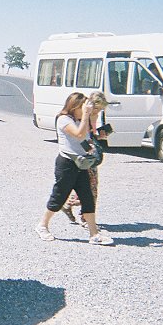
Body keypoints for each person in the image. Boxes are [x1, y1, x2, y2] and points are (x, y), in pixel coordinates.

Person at [35, 92, 114, 245]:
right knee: (59, 196)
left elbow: (84, 139)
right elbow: (78, 135)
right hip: (67, 164)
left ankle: (94, 234)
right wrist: (86, 116)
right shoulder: (64, 120)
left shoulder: (79, 120)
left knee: (87, 198)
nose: (85, 110)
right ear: (74, 107)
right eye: (82, 107)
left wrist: (91, 147)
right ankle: (42, 225)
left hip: (81, 163)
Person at [60, 91, 111, 227]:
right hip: (84, 154)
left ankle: (68, 205)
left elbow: (90, 135)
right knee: (91, 187)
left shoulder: (93, 115)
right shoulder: (83, 116)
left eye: (101, 109)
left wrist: (99, 136)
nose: (98, 112)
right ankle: (85, 217)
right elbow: (80, 136)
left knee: (89, 185)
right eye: (97, 108)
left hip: (90, 153)